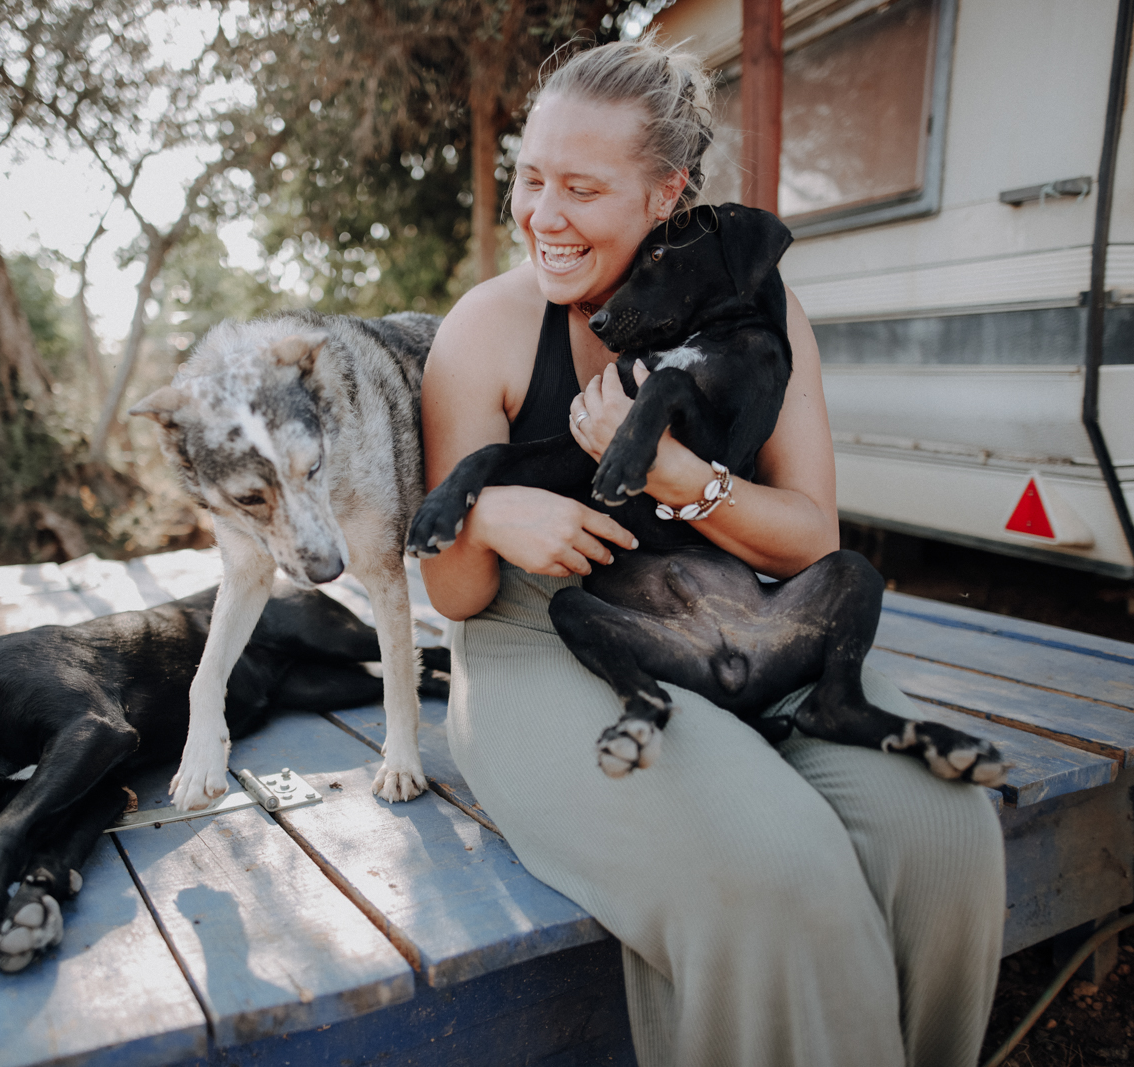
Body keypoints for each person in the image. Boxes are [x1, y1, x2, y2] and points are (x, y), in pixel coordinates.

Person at [418, 37, 1005, 1067]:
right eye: (532, 178)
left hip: (741, 618)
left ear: (665, 192)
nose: (542, 215)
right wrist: (488, 514)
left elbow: (810, 534)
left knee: (946, 831)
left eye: (582, 188)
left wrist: (681, 480)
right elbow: (456, 595)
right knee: (775, 865)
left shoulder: (761, 316)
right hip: (547, 649)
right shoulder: (490, 329)